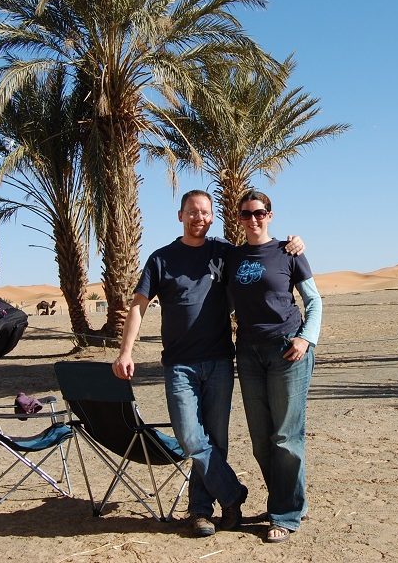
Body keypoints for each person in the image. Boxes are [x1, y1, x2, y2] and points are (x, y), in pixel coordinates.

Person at [112, 189, 303, 538]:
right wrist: (126, 351)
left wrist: (292, 244)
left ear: (212, 217)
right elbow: (139, 305)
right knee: (189, 437)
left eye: (205, 212)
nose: (199, 217)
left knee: (216, 439)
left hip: (218, 361)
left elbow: (261, 253)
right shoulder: (161, 259)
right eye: (192, 212)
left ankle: (201, 510)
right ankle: (232, 493)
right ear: (181, 215)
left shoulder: (224, 253)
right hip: (179, 365)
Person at [226, 190, 322, 545]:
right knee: (261, 439)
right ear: (237, 218)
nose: (253, 220)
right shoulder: (232, 257)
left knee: (286, 435)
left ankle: (285, 514)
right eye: (246, 214)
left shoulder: (288, 251)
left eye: (260, 213)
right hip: (248, 352)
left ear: (270, 214)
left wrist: (305, 339)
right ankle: (291, 501)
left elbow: (314, 300)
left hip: (287, 349)